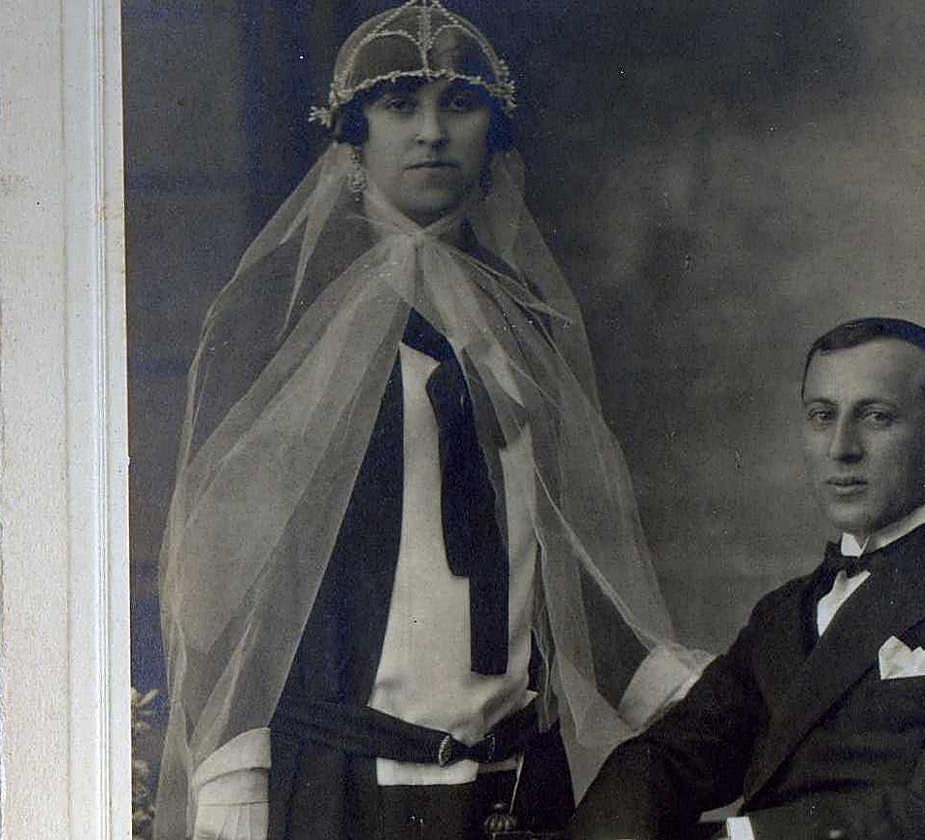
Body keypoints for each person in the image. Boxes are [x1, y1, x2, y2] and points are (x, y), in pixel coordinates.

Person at [156, 3, 707, 838]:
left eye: (459, 105)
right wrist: (232, 760)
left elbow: (572, 549)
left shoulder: (521, 320)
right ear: (351, 139)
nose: (431, 134)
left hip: (516, 779)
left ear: (492, 132)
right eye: (399, 106)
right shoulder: (277, 318)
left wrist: (700, 705)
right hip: (343, 781)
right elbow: (229, 572)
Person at [569, 318, 925, 840]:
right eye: (822, 416)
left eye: (876, 417)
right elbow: (665, 758)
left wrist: (742, 839)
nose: (841, 447)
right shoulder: (782, 614)